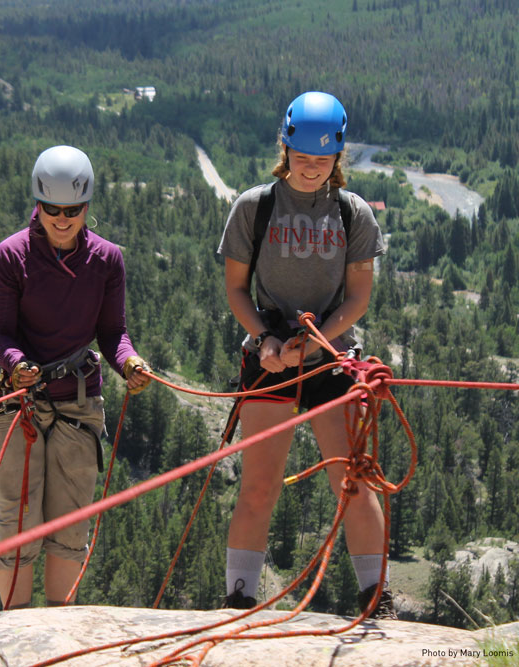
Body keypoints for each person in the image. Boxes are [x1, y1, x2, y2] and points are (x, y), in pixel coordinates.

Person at [217, 92, 396, 619]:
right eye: (303, 157)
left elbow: (358, 298)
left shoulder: (352, 212)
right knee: (259, 486)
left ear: (337, 155)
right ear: (285, 148)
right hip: (270, 359)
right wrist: (265, 339)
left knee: (355, 480)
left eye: (322, 159)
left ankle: (375, 598)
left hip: (332, 361)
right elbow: (236, 291)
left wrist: (315, 344)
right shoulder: (254, 207)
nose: (312, 167)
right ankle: (238, 600)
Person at [0, 145, 151, 609]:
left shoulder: (107, 260)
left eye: (72, 210)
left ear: (87, 206)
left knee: (70, 520)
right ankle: (16, 631)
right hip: (14, 401)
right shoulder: (10, 258)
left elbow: (113, 332)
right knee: (19, 516)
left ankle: (57, 629)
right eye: (51, 208)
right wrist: (16, 364)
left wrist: (129, 362)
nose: (61, 218)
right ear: (38, 202)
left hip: (76, 400)